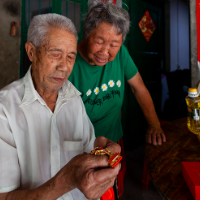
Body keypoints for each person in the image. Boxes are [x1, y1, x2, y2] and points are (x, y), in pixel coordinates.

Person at [0, 13, 121, 200]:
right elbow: (5, 196)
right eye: (55, 55)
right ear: (31, 52)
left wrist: (101, 151)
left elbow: (86, 150)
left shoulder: (73, 98)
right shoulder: (5, 109)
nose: (64, 67)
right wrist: (67, 180)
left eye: (70, 57)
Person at [68, 0, 166, 198]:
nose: (105, 52)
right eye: (99, 41)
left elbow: (139, 88)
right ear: (87, 33)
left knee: (115, 190)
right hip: (81, 147)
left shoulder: (121, 55)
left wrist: (154, 123)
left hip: (114, 139)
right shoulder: (69, 63)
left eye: (114, 44)